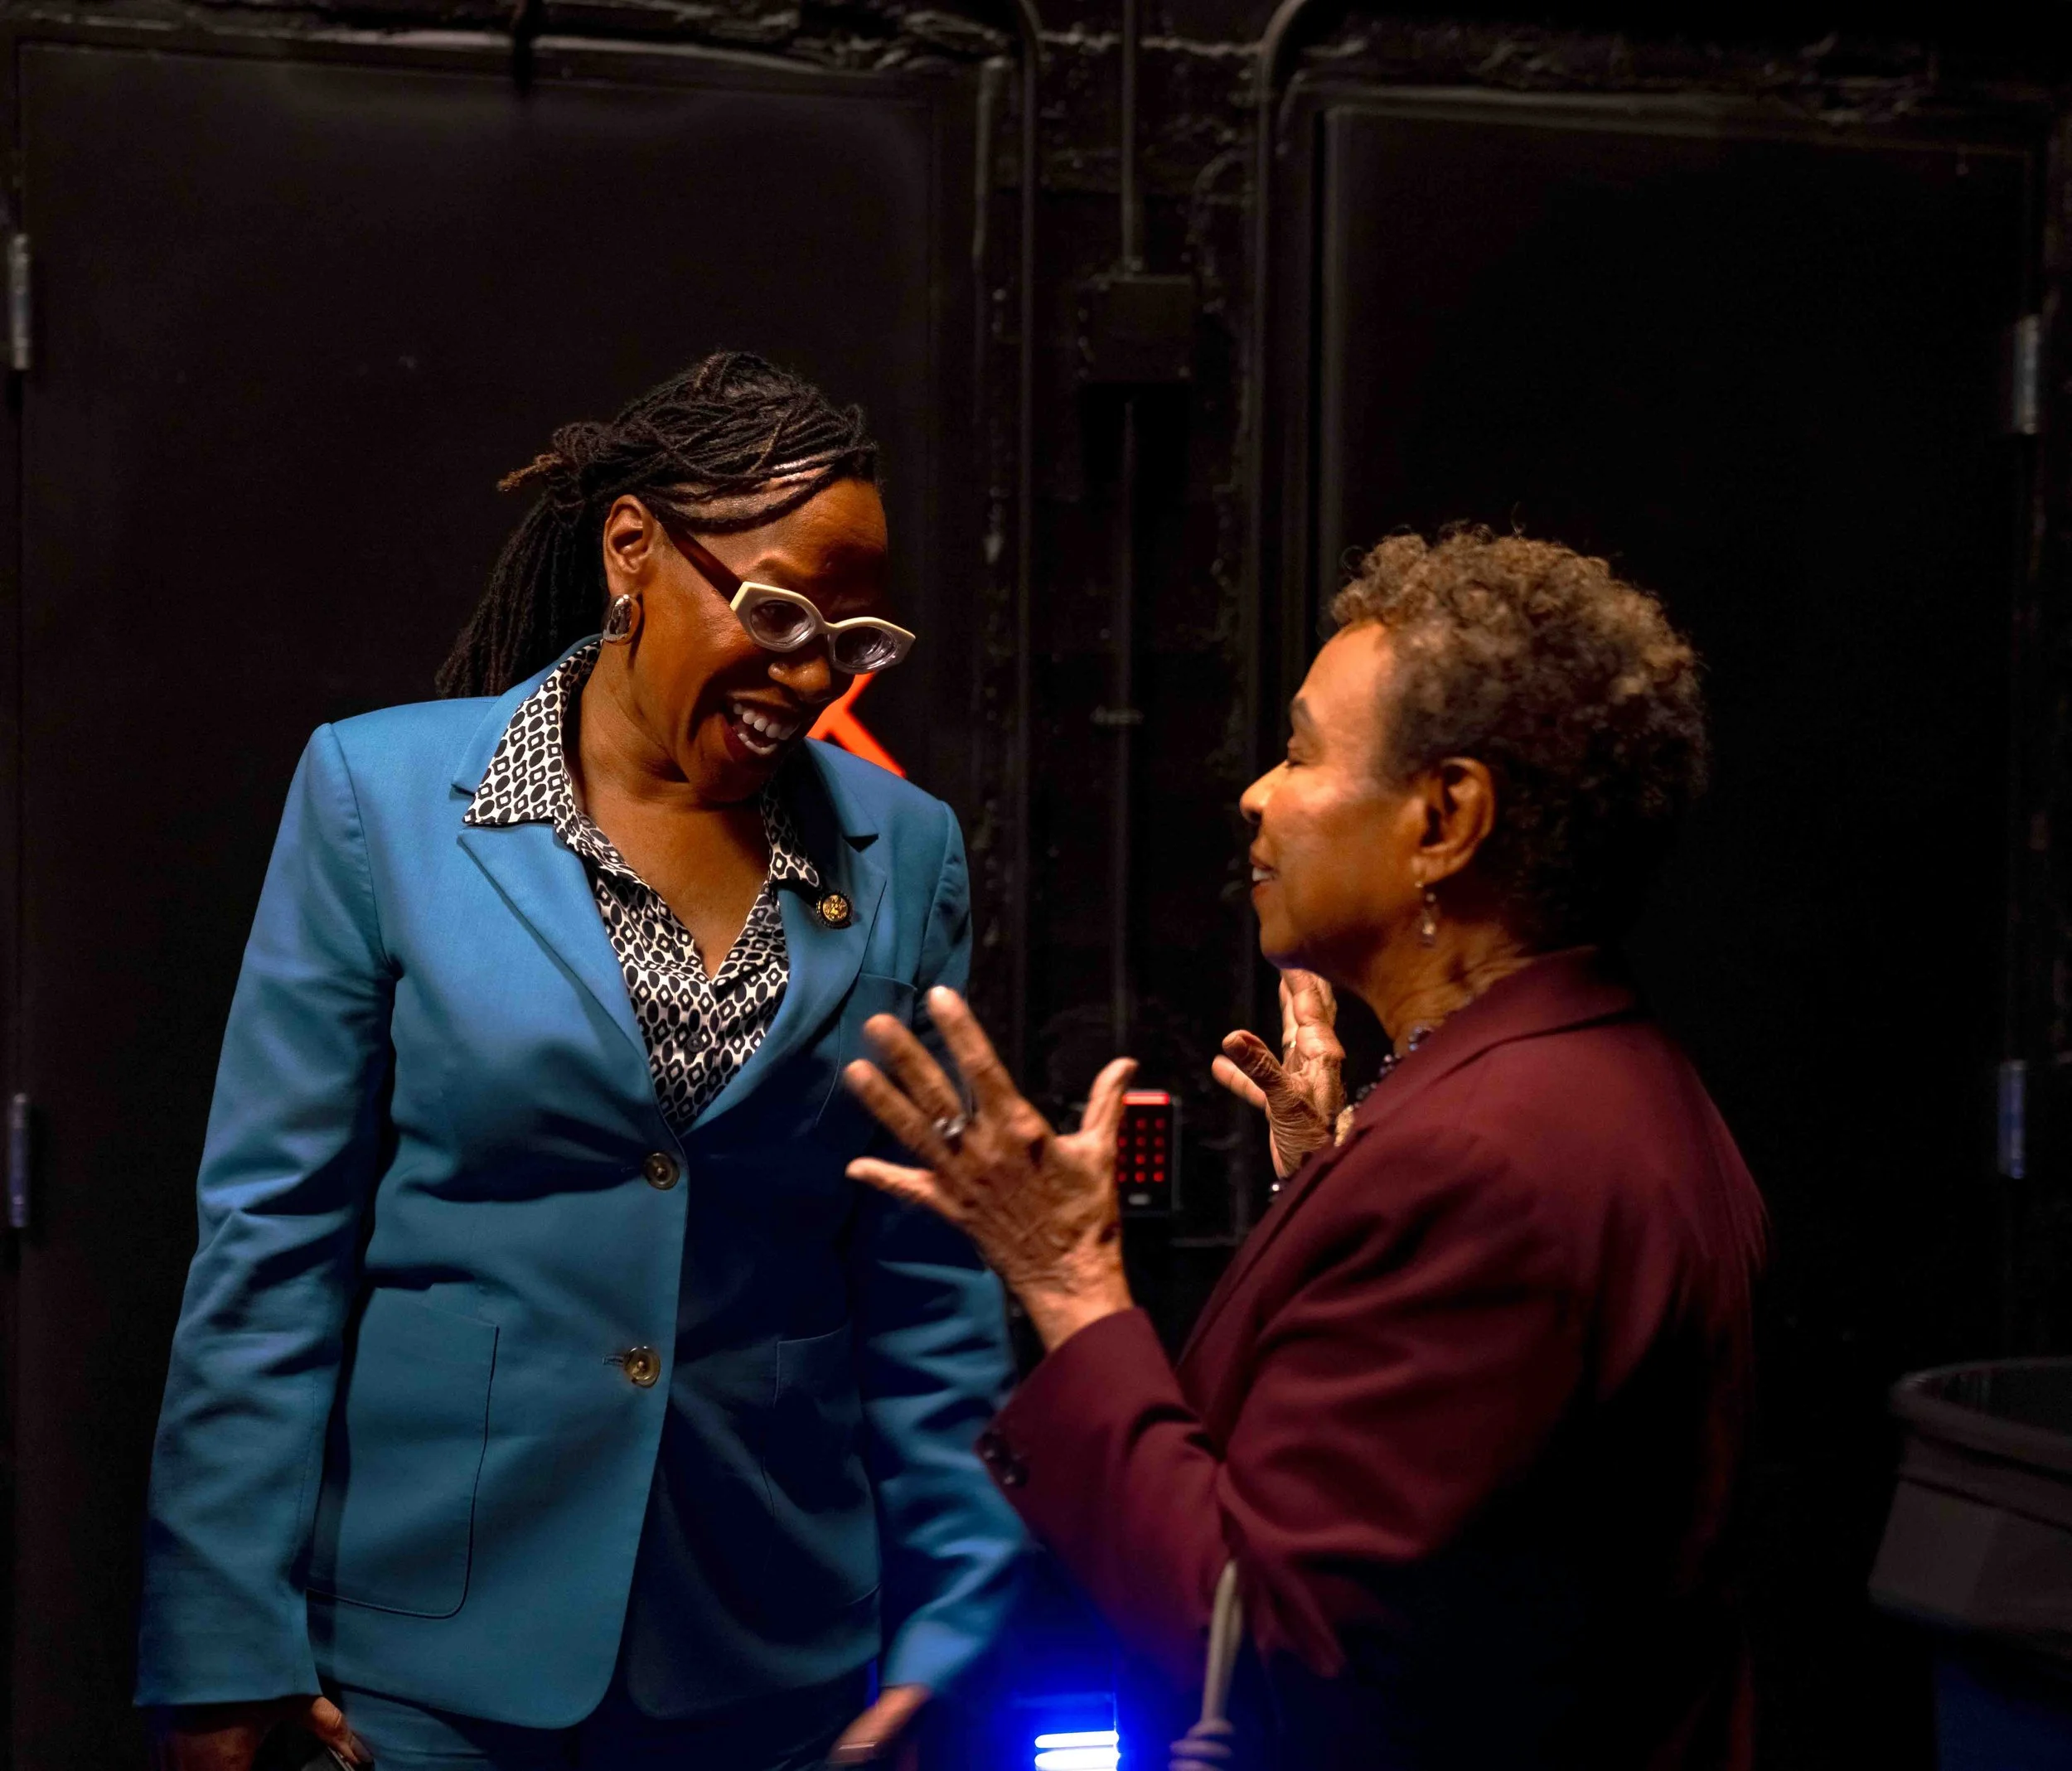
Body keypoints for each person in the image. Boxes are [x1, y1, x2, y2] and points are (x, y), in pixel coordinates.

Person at [137, 353, 1024, 1771]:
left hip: (773, 1643)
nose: (808, 676)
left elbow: (924, 1273)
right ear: (634, 548)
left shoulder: (902, 850)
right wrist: (220, 1641)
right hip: (434, 1650)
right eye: (781, 609)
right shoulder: (379, 799)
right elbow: (270, 1244)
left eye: (852, 642)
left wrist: (959, 1611)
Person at [842, 529, 1769, 1769]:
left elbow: (1267, 1654)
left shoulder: (1483, 1166)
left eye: (1300, 752)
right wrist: (1337, 1176)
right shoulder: (1587, 1081)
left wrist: (1068, 1283)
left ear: (1446, 818)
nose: (1256, 794)